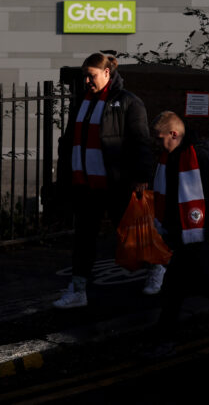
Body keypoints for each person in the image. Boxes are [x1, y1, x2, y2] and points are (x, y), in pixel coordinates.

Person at [53, 53, 155, 309]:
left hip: (115, 183)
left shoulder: (129, 102)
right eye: (85, 76)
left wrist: (142, 176)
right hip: (85, 184)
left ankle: (157, 267)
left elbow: (141, 141)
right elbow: (70, 141)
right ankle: (78, 289)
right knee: (83, 239)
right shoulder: (82, 102)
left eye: (92, 76)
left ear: (107, 73)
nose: (87, 81)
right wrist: (64, 176)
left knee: (131, 235)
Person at [149, 111, 209, 337]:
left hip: (195, 230)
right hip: (175, 230)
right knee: (197, 280)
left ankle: (164, 338)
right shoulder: (166, 158)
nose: (157, 143)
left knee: (173, 286)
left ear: (173, 134)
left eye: (159, 138)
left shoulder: (200, 156)